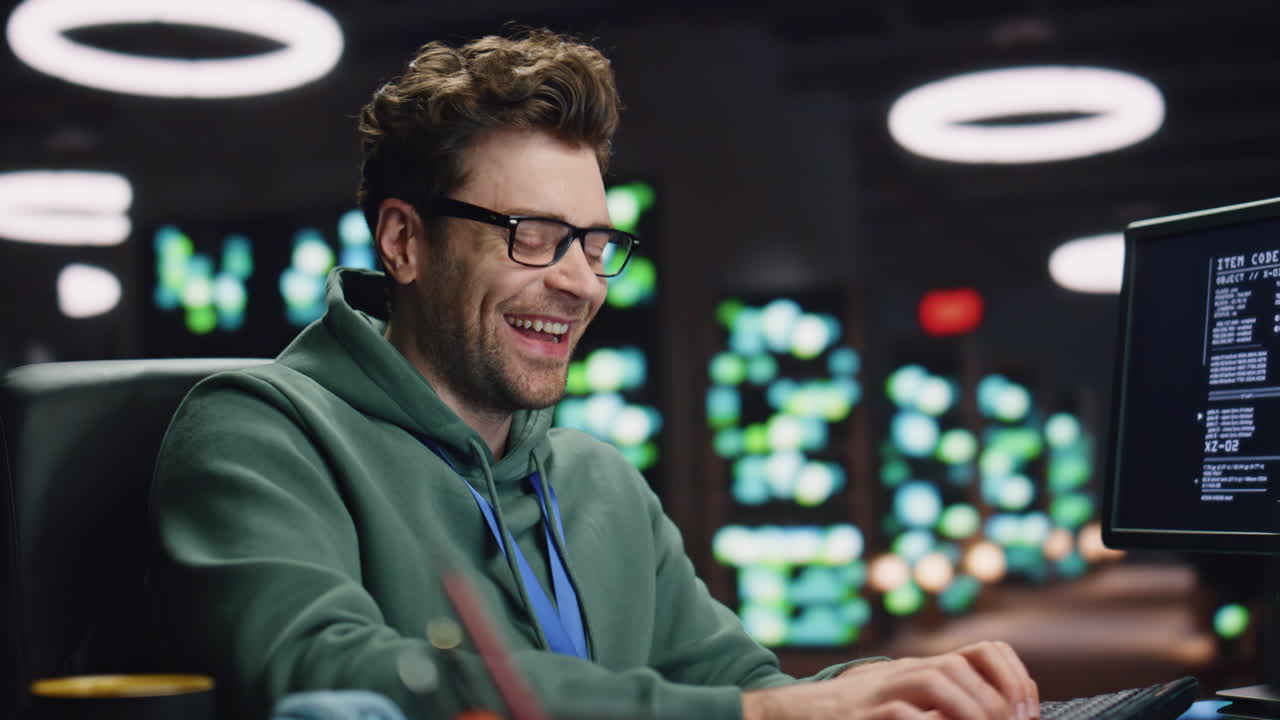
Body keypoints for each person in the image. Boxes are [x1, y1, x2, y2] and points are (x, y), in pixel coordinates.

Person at [146, 28, 1040, 720]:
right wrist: (764, 711)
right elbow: (332, 679)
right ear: (404, 240)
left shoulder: (597, 478)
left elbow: (734, 682)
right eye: (531, 235)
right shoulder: (256, 430)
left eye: (597, 242)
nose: (577, 280)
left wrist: (892, 688)